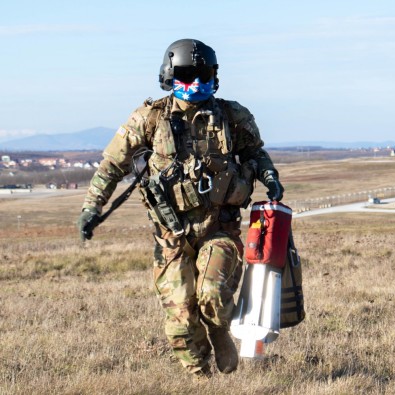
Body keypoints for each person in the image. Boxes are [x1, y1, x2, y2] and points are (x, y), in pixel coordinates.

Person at [77, 38, 284, 377]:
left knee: (213, 295)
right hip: (169, 236)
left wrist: (270, 176)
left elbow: (255, 154)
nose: (196, 84)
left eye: (203, 76)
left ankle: (219, 330)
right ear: (169, 76)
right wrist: (91, 209)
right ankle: (199, 379)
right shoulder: (149, 118)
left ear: (214, 77)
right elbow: (111, 166)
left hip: (219, 227)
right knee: (180, 319)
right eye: (186, 76)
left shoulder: (233, 116)